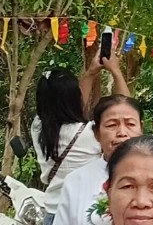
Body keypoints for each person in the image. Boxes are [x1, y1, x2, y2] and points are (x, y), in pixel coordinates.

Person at [45, 96, 144, 225]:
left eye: (130, 124)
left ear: (141, 128)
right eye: (112, 125)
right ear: (96, 133)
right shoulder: (77, 181)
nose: (122, 132)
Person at [33, 69, 103, 209]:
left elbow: (62, 104)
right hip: (82, 215)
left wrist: (90, 73)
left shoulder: (38, 127)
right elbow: (125, 115)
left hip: (52, 212)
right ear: (74, 98)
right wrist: (116, 72)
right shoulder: (90, 133)